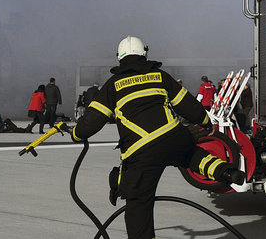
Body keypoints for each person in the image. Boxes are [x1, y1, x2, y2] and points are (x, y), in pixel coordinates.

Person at [70, 36, 245, 239]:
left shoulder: (113, 85)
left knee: (138, 204)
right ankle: (226, 172)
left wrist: (76, 134)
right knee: (191, 156)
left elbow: (92, 121)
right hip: (174, 136)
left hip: (142, 150)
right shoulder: (159, 76)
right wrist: (205, 122)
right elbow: (187, 104)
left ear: (119, 58)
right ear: (145, 53)